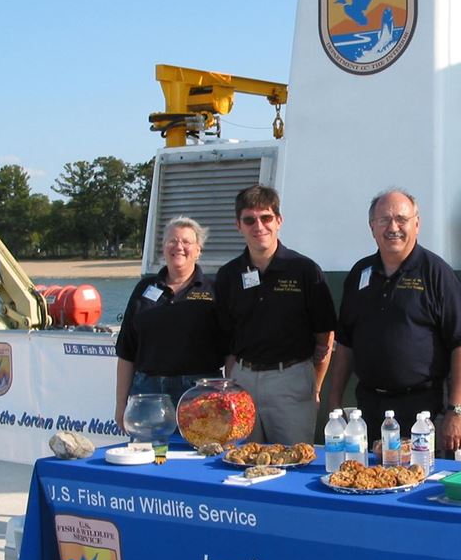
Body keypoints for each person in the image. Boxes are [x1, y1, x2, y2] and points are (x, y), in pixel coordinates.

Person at [327, 189, 461, 454]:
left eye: (401, 219)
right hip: (369, 411)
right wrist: (334, 400)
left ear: (416, 224)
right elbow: (345, 343)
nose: (393, 227)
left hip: (423, 412)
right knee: (366, 483)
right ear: (372, 227)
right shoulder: (360, 274)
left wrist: (457, 411)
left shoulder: (437, 273)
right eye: (384, 220)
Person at [214, 185, 336, 445]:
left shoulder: (304, 270)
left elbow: (325, 335)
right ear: (239, 225)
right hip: (242, 380)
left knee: (293, 461)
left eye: (266, 218)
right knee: (243, 460)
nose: (259, 226)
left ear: (278, 221)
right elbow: (226, 335)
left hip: (291, 380)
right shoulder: (228, 275)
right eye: (249, 220)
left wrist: (313, 386)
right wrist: (233, 378)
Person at [114, 217, 226, 431]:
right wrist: (121, 404)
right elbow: (127, 351)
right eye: (172, 241)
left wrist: (228, 396)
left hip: (199, 393)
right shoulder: (143, 289)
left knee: (198, 457)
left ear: (198, 250)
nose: (178, 247)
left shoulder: (214, 290)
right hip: (148, 392)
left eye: (186, 242)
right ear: (163, 247)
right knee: (149, 457)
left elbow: (230, 350)